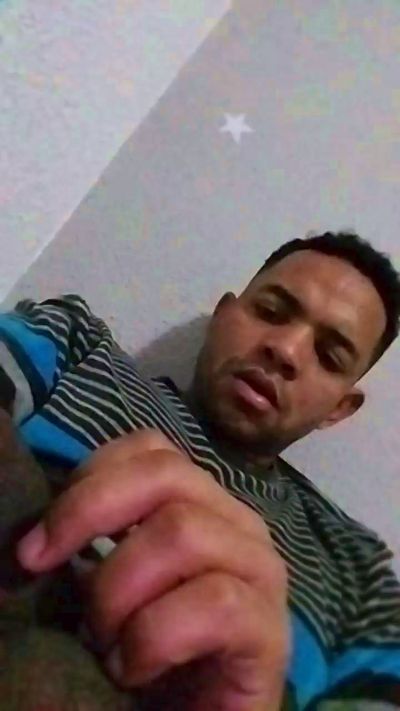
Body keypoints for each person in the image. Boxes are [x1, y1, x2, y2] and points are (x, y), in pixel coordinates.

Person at [0, 231, 399, 709]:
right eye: (270, 311)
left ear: (338, 408)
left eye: (329, 356)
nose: (286, 350)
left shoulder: (359, 573)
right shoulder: (79, 343)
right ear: (223, 313)